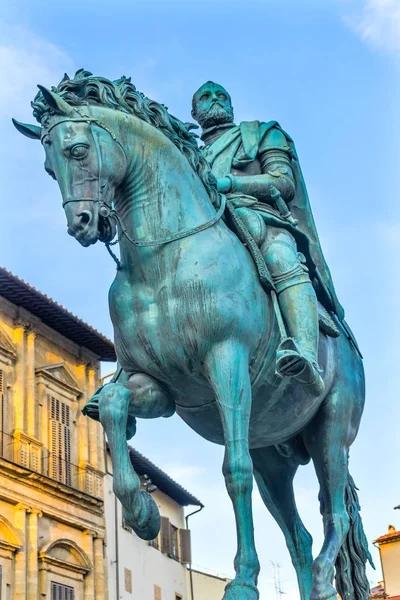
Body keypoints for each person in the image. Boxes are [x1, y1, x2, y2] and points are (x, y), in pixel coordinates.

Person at [191, 81, 345, 397]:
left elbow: (283, 182)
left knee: (282, 257)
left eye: (221, 95)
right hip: (205, 229)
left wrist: (229, 183)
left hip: (258, 219)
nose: (215, 99)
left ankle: (305, 354)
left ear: (231, 106)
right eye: (205, 98)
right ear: (195, 113)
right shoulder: (190, 155)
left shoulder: (262, 133)